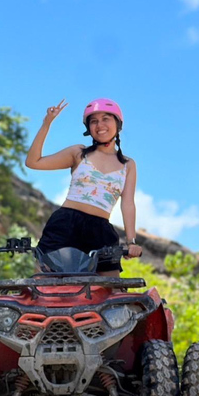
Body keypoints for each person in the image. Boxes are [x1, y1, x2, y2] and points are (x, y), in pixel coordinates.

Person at [25, 98, 143, 276]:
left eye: (105, 119)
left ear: (118, 124)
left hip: (101, 231)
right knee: (47, 285)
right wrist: (46, 124)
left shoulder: (128, 165)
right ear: (88, 128)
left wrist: (131, 241)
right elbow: (33, 162)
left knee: (113, 291)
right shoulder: (79, 153)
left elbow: (127, 203)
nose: (99, 125)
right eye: (93, 121)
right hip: (66, 224)